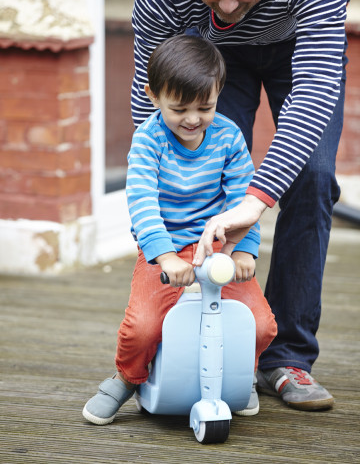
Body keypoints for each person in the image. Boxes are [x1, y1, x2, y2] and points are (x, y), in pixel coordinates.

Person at [129, 0, 352, 410]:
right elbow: (152, 90)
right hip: (216, 56)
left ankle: (286, 357)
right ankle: (211, 335)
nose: (227, 5)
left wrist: (256, 200)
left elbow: (315, 83)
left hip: (299, 47)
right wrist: (151, 190)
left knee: (311, 178)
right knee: (208, 173)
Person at [82, 35, 277, 425]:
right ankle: (127, 377)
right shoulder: (148, 141)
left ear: (219, 93)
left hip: (219, 248)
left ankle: (242, 377)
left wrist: (243, 251)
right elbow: (142, 201)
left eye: (205, 107)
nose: (192, 118)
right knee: (144, 326)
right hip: (166, 249)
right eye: (179, 108)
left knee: (259, 323)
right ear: (154, 96)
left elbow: (242, 202)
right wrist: (166, 254)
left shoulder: (229, 137)